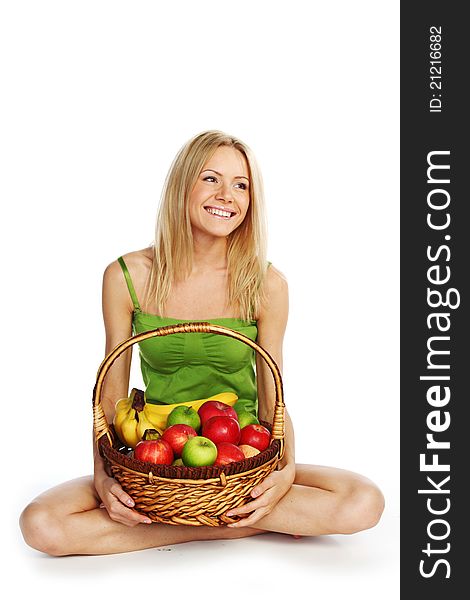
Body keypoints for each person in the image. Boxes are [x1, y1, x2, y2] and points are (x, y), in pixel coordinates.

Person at [19, 130, 384, 556]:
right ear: (183, 186)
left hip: (245, 455)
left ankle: (178, 522)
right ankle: (237, 523)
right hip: (155, 460)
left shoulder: (266, 285)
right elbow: (112, 393)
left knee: (364, 502)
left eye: (241, 185)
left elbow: (273, 392)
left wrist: (283, 472)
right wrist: (104, 474)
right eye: (211, 179)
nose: (227, 195)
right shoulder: (127, 276)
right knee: (40, 525)